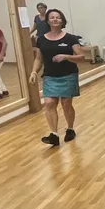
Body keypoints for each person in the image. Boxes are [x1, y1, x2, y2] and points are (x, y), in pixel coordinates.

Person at [29, 9, 86, 146]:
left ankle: (70, 129)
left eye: (58, 17)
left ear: (62, 21)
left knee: (66, 104)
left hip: (68, 75)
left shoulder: (71, 38)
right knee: (49, 103)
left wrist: (66, 56)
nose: (55, 19)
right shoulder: (41, 39)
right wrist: (34, 72)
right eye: (52, 17)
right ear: (47, 21)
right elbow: (38, 59)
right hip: (50, 76)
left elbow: (81, 57)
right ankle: (54, 134)